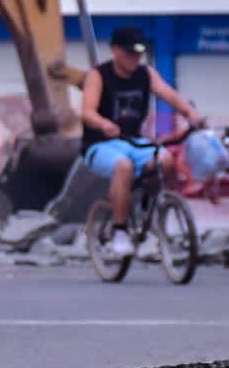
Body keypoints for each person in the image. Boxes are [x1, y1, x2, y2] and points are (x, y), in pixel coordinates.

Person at [81, 25, 206, 258]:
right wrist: (103, 124)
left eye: (138, 53)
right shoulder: (98, 75)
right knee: (123, 167)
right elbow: (87, 112)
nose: (134, 59)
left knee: (166, 160)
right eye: (129, 53)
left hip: (134, 142)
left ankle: (150, 207)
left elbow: (169, 95)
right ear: (115, 50)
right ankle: (120, 232)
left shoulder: (145, 73)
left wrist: (191, 114)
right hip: (100, 145)